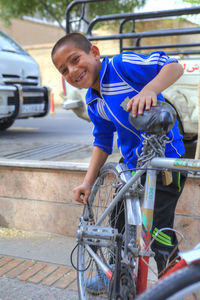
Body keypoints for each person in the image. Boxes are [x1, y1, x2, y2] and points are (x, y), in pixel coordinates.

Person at [51, 32, 186, 293]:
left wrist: (149, 90)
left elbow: (174, 66)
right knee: (118, 220)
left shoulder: (122, 66)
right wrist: (88, 183)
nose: (72, 70)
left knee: (158, 233)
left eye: (75, 59)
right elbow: (102, 142)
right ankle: (114, 273)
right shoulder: (93, 101)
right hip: (132, 164)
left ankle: (176, 289)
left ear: (94, 52)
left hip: (165, 160)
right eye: (64, 70)